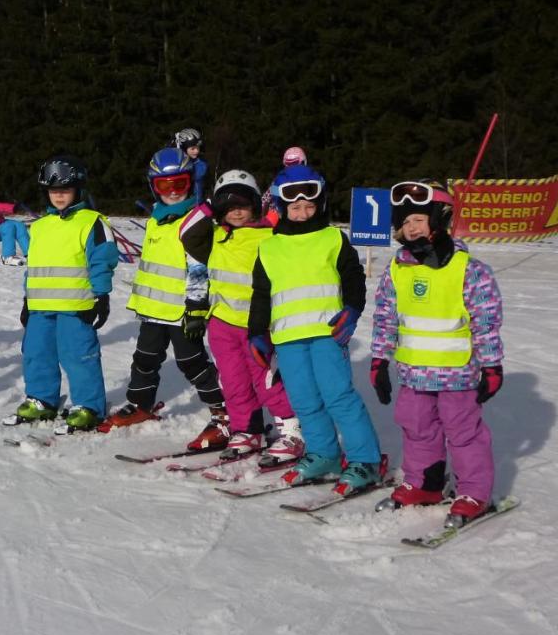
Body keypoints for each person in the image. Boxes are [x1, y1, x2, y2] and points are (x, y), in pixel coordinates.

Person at [370, 181, 505, 526]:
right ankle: (425, 484)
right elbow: (386, 316)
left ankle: (473, 490)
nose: (411, 228)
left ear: (439, 219)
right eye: (405, 222)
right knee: (417, 428)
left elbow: (486, 321)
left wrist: (491, 366)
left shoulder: (468, 269)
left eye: (418, 219)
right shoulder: (398, 268)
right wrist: (379, 360)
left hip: (457, 374)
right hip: (414, 374)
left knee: (463, 433)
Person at [248, 164, 384, 494]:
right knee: (304, 400)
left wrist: (352, 310)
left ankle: (365, 459)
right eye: (295, 207)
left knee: (338, 396)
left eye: (310, 206)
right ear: (281, 207)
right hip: (288, 338)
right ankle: (323, 454)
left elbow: (354, 278)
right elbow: (262, 293)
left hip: (327, 333)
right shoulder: (268, 247)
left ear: (319, 204)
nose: (303, 212)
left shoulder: (333, 238)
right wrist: (256, 332)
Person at [100, 147, 227, 449]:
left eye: (179, 185)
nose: (172, 193)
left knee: (192, 362)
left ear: (190, 183)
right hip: (153, 310)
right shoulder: (157, 220)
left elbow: (198, 270)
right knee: (144, 359)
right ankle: (139, 403)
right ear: (153, 187)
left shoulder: (194, 221)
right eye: (163, 186)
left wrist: (196, 308)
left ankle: (225, 411)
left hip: (183, 311)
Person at [179, 170, 303, 463]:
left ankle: (292, 431)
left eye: (243, 205)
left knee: (267, 379)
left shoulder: (269, 237)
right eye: (229, 205)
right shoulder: (215, 236)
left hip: (257, 325)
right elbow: (186, 232)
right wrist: (210, 203)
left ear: (255, 206)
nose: (236, 211)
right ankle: (247, 430)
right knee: (233, 382)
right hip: (222, 324)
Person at [10, 155, 119, 433]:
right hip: (40, 307)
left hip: (76, 306)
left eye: (65, 190)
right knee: (37, 354)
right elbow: (34, 266)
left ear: (78, 189)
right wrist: (27, 299)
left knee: (78, 355)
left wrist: (101, 296)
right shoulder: (41, 226)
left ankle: (88, 406)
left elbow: (102, 260)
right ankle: (41, 399)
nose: (59, 196)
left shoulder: (92, 222)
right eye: (53, 190)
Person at [174, 128, 211, 206]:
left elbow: (198, 174)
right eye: (193, 149)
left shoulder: (200, 162)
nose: (196, 151)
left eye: (198, 148)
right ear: (184, 149)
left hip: (197, 203)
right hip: (180, 202)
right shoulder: (176, 163)